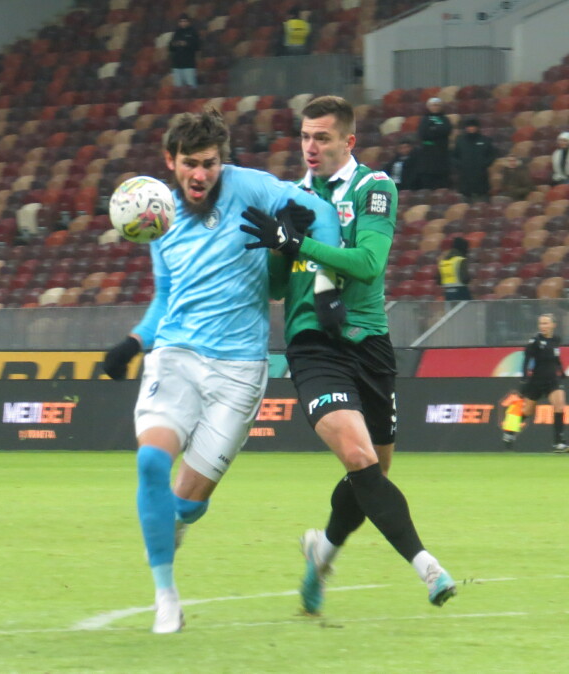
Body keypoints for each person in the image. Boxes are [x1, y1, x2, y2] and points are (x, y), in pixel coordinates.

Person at [101, 108, 341, 633]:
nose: (200, 174)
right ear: (171, 161)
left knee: (186, 508)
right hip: (176, 355)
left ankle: (174, 526)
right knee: (150, 463)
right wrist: (135, 340)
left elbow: (321, 212)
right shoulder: (157, 216)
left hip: (239, 368)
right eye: (190, 163)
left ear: (221, 162)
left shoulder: (249, 187)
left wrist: (320, 274)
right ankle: (166, 597)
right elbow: (166, 295)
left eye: (209, 163)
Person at [242, 95, 457, 616]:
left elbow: (367, 262)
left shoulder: (374, 188)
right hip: (313, 344)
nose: (310, 147)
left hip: (370, 342)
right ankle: (427, 566)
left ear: (348, 141)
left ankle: (323, 552)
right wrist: (276, 247)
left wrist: (297, 243)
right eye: (305, 136)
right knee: (360, 459)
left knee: (372, 473)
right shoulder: (290, 196)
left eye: (322, 137)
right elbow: (277, 285)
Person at [502, 314, 567, 452]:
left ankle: (558, 443)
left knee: (560, 406)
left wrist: (561, 372)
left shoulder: (556, 339)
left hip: (552, 380)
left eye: (546, 323)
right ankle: (510, 431)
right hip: (537, 380)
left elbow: (555, 358)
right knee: (528, 411)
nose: (543, 326)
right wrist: (524, 377)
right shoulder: (535, 341)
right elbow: (527, 359)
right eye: (541, 323)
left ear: (553, 325)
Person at [452, 117, 496, 201]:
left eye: (473, 126)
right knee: (465, 204)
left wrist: (484, 164)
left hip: (481, 177)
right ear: (466, 128)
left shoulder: (485, 140)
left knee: (483, 203)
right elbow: (453, 156)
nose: (471, 128)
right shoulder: (460, 141)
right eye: (469, 126)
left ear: (477, 127)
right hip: (465, 177)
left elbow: (492, 155)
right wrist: (460, 165)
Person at [414, 97, 452, 190]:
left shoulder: (445, 119)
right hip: (427, 156)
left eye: (437, 105)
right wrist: (437, 131)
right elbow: (423, 133)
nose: (435, 107)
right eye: (433, 105)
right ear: (429, 107)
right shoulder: (424, 119)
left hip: (442, 155)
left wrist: (432, 129)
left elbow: (446, 130)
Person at [168, 14, 200, 89]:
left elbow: (197, 46)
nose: (183, 23)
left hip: (189, 65)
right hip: (177, 65)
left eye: (185, 21)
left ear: (188, 22)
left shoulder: (193, 32)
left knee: (191, 87)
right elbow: (171, 47)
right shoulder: (176, 33)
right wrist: (174, 44)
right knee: (178, 89)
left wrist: (186, 44)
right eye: (181, 21)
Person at [436, 237, 471, 301]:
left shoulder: (443, 262)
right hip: (461, 291)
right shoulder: (460, 260)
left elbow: (438, 281)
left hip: (447, 292)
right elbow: (465, 279)